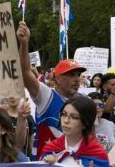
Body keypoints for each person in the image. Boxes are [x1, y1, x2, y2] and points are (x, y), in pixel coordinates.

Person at [18, 21, 85, 155]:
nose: (77, 79)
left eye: (78, 75)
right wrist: (24, 43)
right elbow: (25, 72)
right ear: (58, 78)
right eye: (71, 75)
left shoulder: (83, 101)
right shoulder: (46, 96)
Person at [41, 96, 109, 167]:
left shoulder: (97, 153)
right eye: (64, 114)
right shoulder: (51, 149)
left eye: (74, 117)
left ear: (86, 123)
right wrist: (48, 166)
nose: (66, 121)